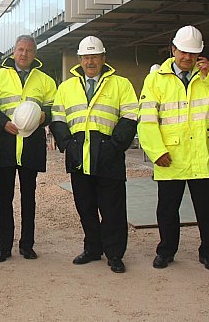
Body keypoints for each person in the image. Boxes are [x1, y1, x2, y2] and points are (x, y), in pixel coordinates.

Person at [138, 25, 209, 272]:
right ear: (173, 49)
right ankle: (166, 251)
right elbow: (147, 120)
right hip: (171, 157)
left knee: (207, 211)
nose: (187, 58)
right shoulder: (155, 80)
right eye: (182, 52)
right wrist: (156, 151)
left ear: (200, 54)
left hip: (204, 156)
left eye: (192, 53)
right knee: (167, 210)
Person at [50, 36, 138, 273]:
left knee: (113, 209)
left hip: (108, 154)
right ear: (79, 59)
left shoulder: (121, 84)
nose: (90, 61)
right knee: (85, 206)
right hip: (78, 155)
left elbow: (130, 115)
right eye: (86, 57)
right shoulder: (67, 87)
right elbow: (57, 117)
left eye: (95, 57)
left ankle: (115, 253)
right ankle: (92, 249)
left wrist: (114, 146)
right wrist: (68, 145)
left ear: (103, 58)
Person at [0, 35, 56, 262]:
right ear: (13, 51)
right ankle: (3, 246)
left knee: (29, 197)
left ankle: (27, 244)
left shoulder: (45, 80)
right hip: (5, 143)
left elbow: (54, 107)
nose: (24, 54)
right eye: (20, 49)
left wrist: (44, 116)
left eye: (29, 50)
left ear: (35, 53)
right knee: (4, 198)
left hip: (31, 145)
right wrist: (3, 123)